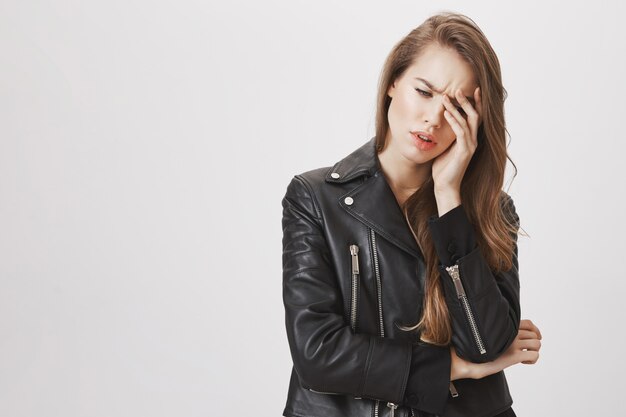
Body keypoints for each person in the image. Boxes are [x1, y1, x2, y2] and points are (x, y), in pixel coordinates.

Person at [280, 12, 542, 417]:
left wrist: (449, 198)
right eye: (424, 92)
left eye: (456, 106)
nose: (434, 119)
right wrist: (455, 367)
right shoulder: (315, 199)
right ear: (392, 84)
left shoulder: (492, 212)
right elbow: (317, 352)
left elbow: (487, 343)